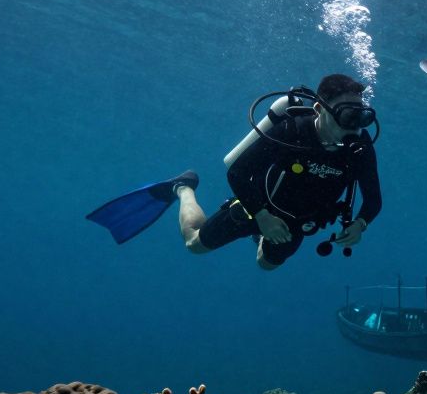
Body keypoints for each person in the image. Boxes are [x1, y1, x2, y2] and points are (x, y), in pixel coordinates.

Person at [87, 74, 381, 271]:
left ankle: (261, 240)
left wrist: (360, 225)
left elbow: (373, 200)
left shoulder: (360, 147)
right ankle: (183, 187)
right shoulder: (292, 131)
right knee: (194, 244)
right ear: (319, 109)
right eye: (347, 115)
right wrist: (263, 217)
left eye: (362, 117)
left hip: (297, 223)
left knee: (266, 266)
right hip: (255, 208)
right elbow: (238, 172)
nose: (355, 125)